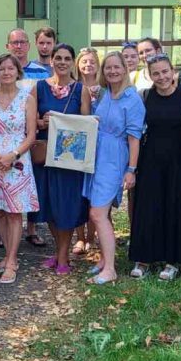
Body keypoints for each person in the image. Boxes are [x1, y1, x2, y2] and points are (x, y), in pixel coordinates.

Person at [129, 52, 181, 280]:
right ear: (149, 75)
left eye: (165, 71)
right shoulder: (143, 96)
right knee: (148, 208)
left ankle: (172, 260)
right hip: (151, 161)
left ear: (173, 71)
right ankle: (144, 258)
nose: (162, 77)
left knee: (175, 208)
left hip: (179, 162)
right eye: (156, 73)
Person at [0, 54, 40, 284]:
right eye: (2, 69)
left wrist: (12, 156)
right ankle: (6, 256)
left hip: (18, 160)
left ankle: (12, 261)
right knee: (0, 210)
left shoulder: (27, 98)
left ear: (17, 72)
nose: (6, 72)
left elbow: (31, 135)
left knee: (14, 212)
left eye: (10, 69)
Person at [28, 44, 91, 275]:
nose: (62, 62)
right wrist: (42, 123)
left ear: (72, 61)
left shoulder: (80, 90)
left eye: (67, 58)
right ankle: (58, 252)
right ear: (51, 61)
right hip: (45, 155)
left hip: (69, 158)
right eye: (58, 58)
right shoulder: (39, 88)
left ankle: (63, 257)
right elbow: (30, 120)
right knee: (51, 206)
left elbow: (87, 124)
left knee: (66, 205)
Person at [84, 52, 146, 285]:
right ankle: (103, 259)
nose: (112, 71)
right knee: (103, 211)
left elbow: (134, 138)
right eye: (108, 67)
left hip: (114, 157)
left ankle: (110, 269)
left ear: (125, 69)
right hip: (97, 156)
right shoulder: (104, 94)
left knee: (97, 213)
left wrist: (131, 169)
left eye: (116, 67)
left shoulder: (132, 99)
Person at [73, 47, 102, 255]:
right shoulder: (73, 88)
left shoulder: (105, 89)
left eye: (92, 62)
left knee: (93, 193)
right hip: (77, 146)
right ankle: (80, 238)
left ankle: (91, 237)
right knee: (77, 193)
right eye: (84, 62)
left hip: (99, 147)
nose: (88, 65)